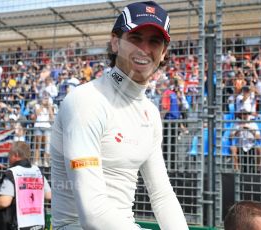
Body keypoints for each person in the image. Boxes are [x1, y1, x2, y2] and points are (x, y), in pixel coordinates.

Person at [50, 1, 188, 230]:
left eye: (154, 41)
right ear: (115, 42)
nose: (144, 48)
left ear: (163, 53)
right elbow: (92, 214)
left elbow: (162, 195)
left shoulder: (151, 113)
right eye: (135, 38)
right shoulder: (86, 100)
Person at [0, 141, 51, 230]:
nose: (8, 157)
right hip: (38, 225)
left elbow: (4, 202)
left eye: (9, 154)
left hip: (16, 225)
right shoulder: (37, 171)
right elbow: (48, 195)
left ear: (16, 155)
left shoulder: (12, 173)